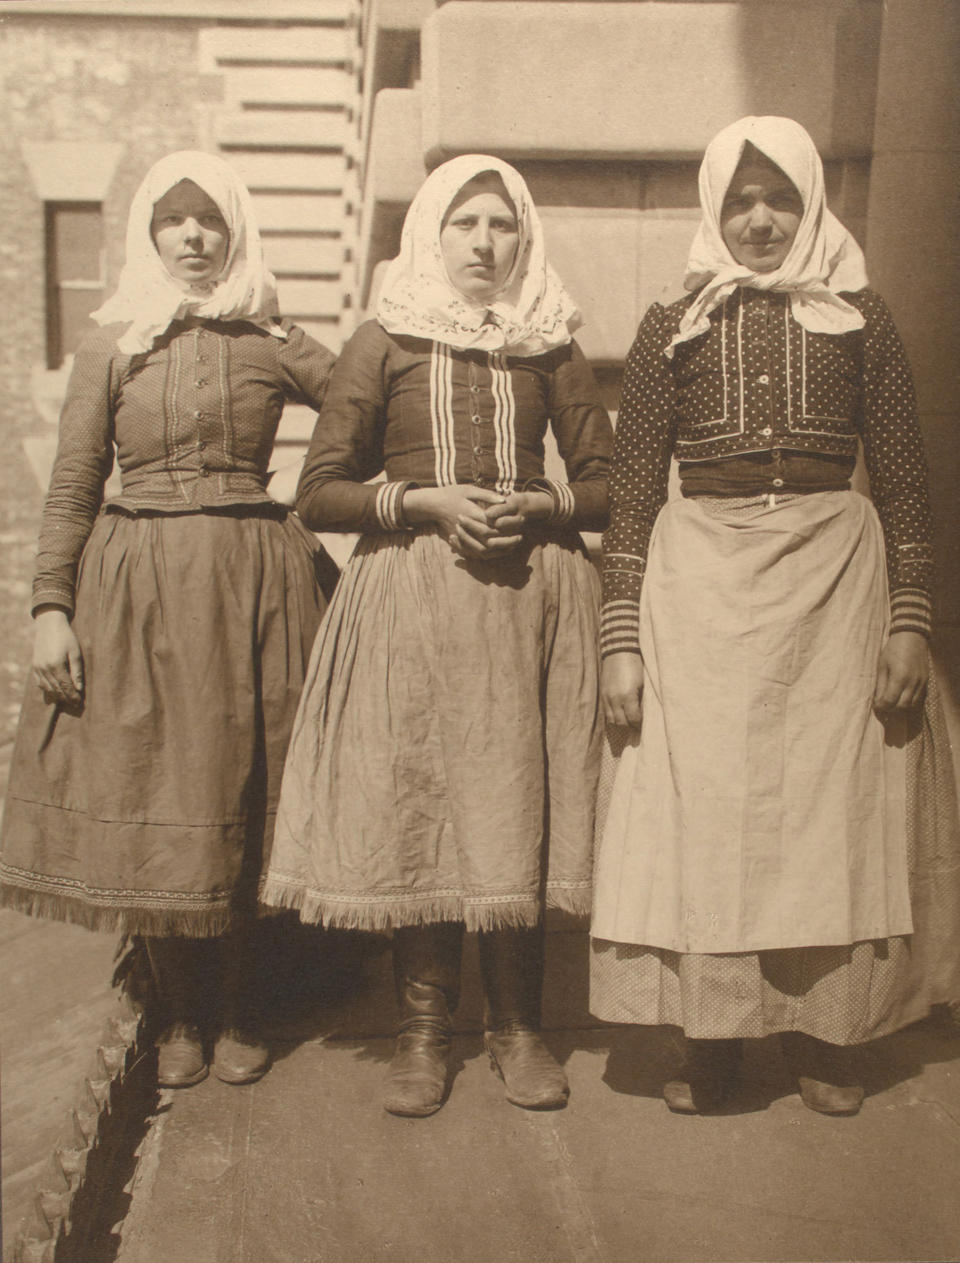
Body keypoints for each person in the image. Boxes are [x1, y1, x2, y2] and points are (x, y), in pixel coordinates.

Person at [591, 116, 960, 1116]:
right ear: (714, 211)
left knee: (823, 814)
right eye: (739, 201)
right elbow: (630, 490)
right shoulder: (672, 324)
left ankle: (823, 1035)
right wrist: (620, 637)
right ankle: (713, 1039)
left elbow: (908, 481)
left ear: (811, 207)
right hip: (700, 581)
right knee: (708, 815)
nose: (759, 219)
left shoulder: (862, 318)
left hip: (836, 579)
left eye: (780, 198)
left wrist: (910, 617)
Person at [261, 154, 613, 1117]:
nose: (485, 244)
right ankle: (423, 1030)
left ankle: (519, 1027)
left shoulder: (551, 344)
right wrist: (425, 499)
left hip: (528, 602)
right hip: (411, 596)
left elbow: (608, 483)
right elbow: (318, 489)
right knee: (425, 800)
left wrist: (538, 504)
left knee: (516, 802)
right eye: (466, 225)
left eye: (501, 226)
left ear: (523, 236)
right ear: (431, 234)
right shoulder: (385, 340)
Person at [0, 151, 337, 1089]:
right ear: (149, 235)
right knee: (151, 781)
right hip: (136, 588)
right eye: (174, 222)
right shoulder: (113, 347)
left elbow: (364, 403)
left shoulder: (268, 337)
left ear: (235, 234)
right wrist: (49, 609)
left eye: (211, 223)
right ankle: (178, 1011)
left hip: (253, 585)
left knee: (241, 781)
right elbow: (72, 487)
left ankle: (240, 1007)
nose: (193, 239)